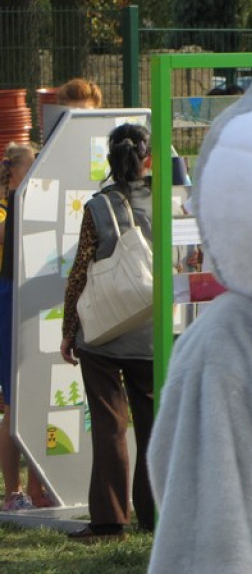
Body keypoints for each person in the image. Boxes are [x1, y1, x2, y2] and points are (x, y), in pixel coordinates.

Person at [60, 123, 155, 541]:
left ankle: (109, 520)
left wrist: (69, 329)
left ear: (110, 160)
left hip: (101, 332)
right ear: (147, 158)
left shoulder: (98, 207)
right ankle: (155, 514)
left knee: (109, 424)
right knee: (154, 423)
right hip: (153, 332)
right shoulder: (169, 202)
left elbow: (80, 270)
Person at [0, 143, 53, 510]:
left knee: (36, 398)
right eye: (33, 165)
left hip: (32, 300)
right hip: (9, 302)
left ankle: (38, 488)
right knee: (13, 404)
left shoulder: (34, 204)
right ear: (16, 172)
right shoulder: (9, 208)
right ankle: (12, 492)